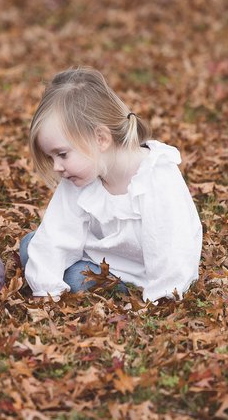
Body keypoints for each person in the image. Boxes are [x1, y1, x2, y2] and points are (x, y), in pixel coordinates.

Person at [19, 66, 203, 303]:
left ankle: (118, 292)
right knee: (32, 245)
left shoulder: (155, 177)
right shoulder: (81, 175)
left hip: (141, 275)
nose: (57, 167)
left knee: (75, 278)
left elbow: (172, 247)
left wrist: (163, 296)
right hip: (97, 261)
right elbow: (58, 231)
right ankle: (75, 279)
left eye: (62, 154)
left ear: (101, 139)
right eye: (51, 157)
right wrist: (46, 291)